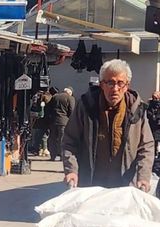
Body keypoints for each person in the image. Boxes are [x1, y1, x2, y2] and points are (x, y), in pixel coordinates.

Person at [63, 59, 154, 190]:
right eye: (110, 82)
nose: (115, 88)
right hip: (91, 185)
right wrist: (71, 170)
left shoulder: (137, 110)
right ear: (101, 84)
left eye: (120, 83)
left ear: (127, 85)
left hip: (126, 186)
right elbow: (69, 141)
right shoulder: (86, 106)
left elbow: (146, 146)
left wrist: (143, 177)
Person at [46, 87, 75, 161]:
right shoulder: (70, 98)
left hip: (53, 121)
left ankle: (52, 156)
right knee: (62, 140)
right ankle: (62, 156)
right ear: (70, 93)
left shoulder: (55, 97)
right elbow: (71, 110)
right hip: (64, 122)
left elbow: (49, 108)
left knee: (52, 139)